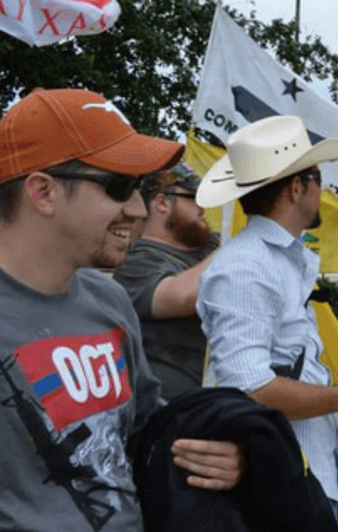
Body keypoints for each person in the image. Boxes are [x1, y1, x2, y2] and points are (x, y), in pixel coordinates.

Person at [0, 88, 242, 532]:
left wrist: (215, 456)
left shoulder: (108, 301)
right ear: (43, 192)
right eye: (119, 187)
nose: (137, 209)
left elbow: (145, 428)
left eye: (140, 189)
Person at [195, 115, 338, 527]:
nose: (322, 192)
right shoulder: (246, 268)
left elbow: (289, 372)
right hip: (277, 488)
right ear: (296, 187)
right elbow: (250, 389)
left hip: (296, 475)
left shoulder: (277, 262)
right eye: (318, 179)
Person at [113, 162, 218, 399]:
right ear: (162, 203)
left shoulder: (211, 248)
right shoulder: (137, 262)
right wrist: (237, 246)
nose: (203, 206)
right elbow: (181, 297)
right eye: (194, 197)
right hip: (173, 407)